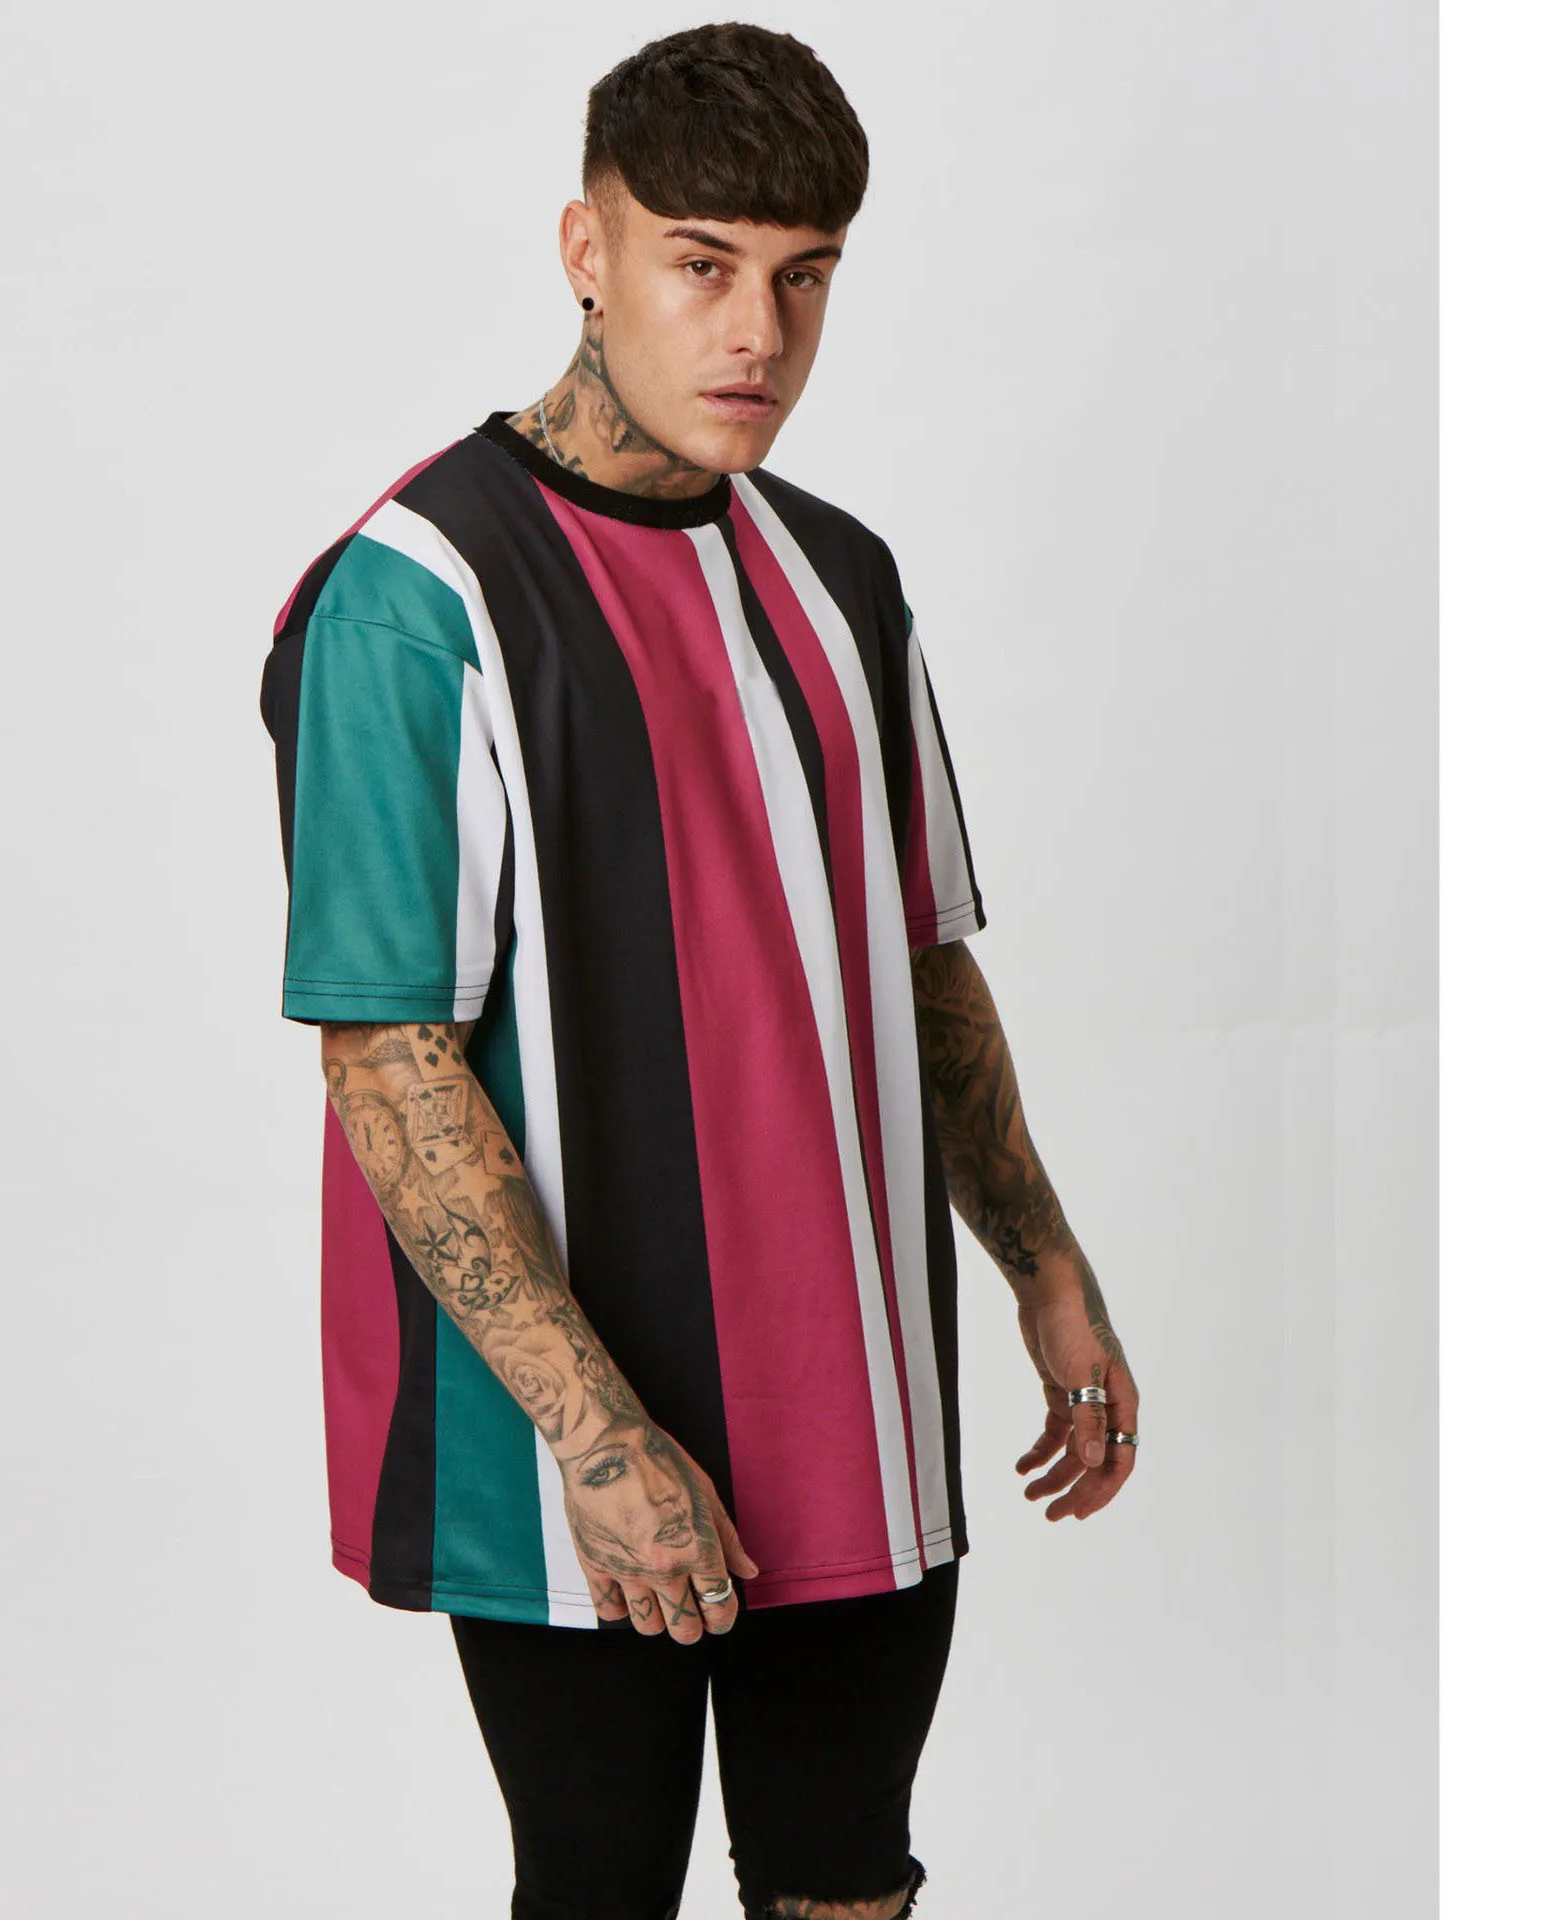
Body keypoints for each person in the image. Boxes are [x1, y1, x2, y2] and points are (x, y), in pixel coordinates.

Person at [257, 22, 1140, 1920]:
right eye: (703, 264)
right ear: (588, 248)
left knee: (849, 1885)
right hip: (570, 1435)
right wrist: (597, 1436)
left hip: (861, 1394)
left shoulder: (845, 577)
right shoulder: (416, 597)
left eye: (805, 277)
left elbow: (920, 960)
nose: (759, 333)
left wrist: (1044, 1263)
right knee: (599, 1893)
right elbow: (389, 1058)